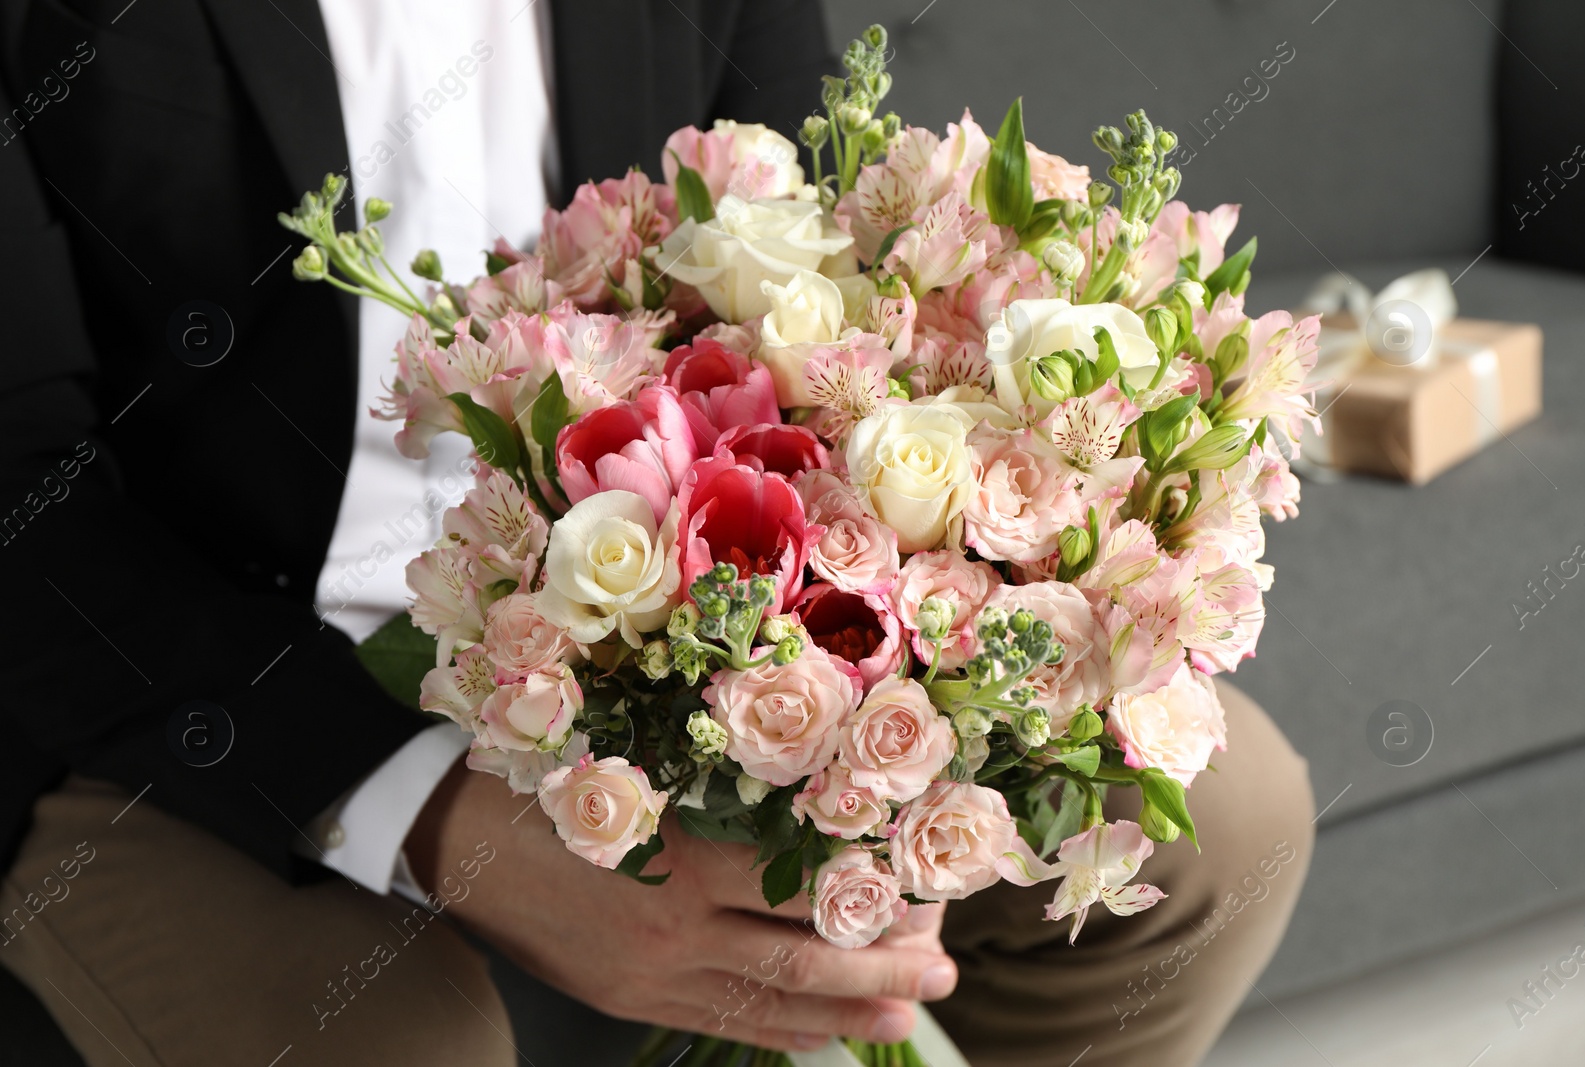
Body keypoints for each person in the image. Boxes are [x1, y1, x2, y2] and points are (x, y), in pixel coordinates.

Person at [0, 2, 1314, 1064]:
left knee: (1231, 817)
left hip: (652, 626)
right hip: (164, 695)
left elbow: (815, 290)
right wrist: (435, 814)